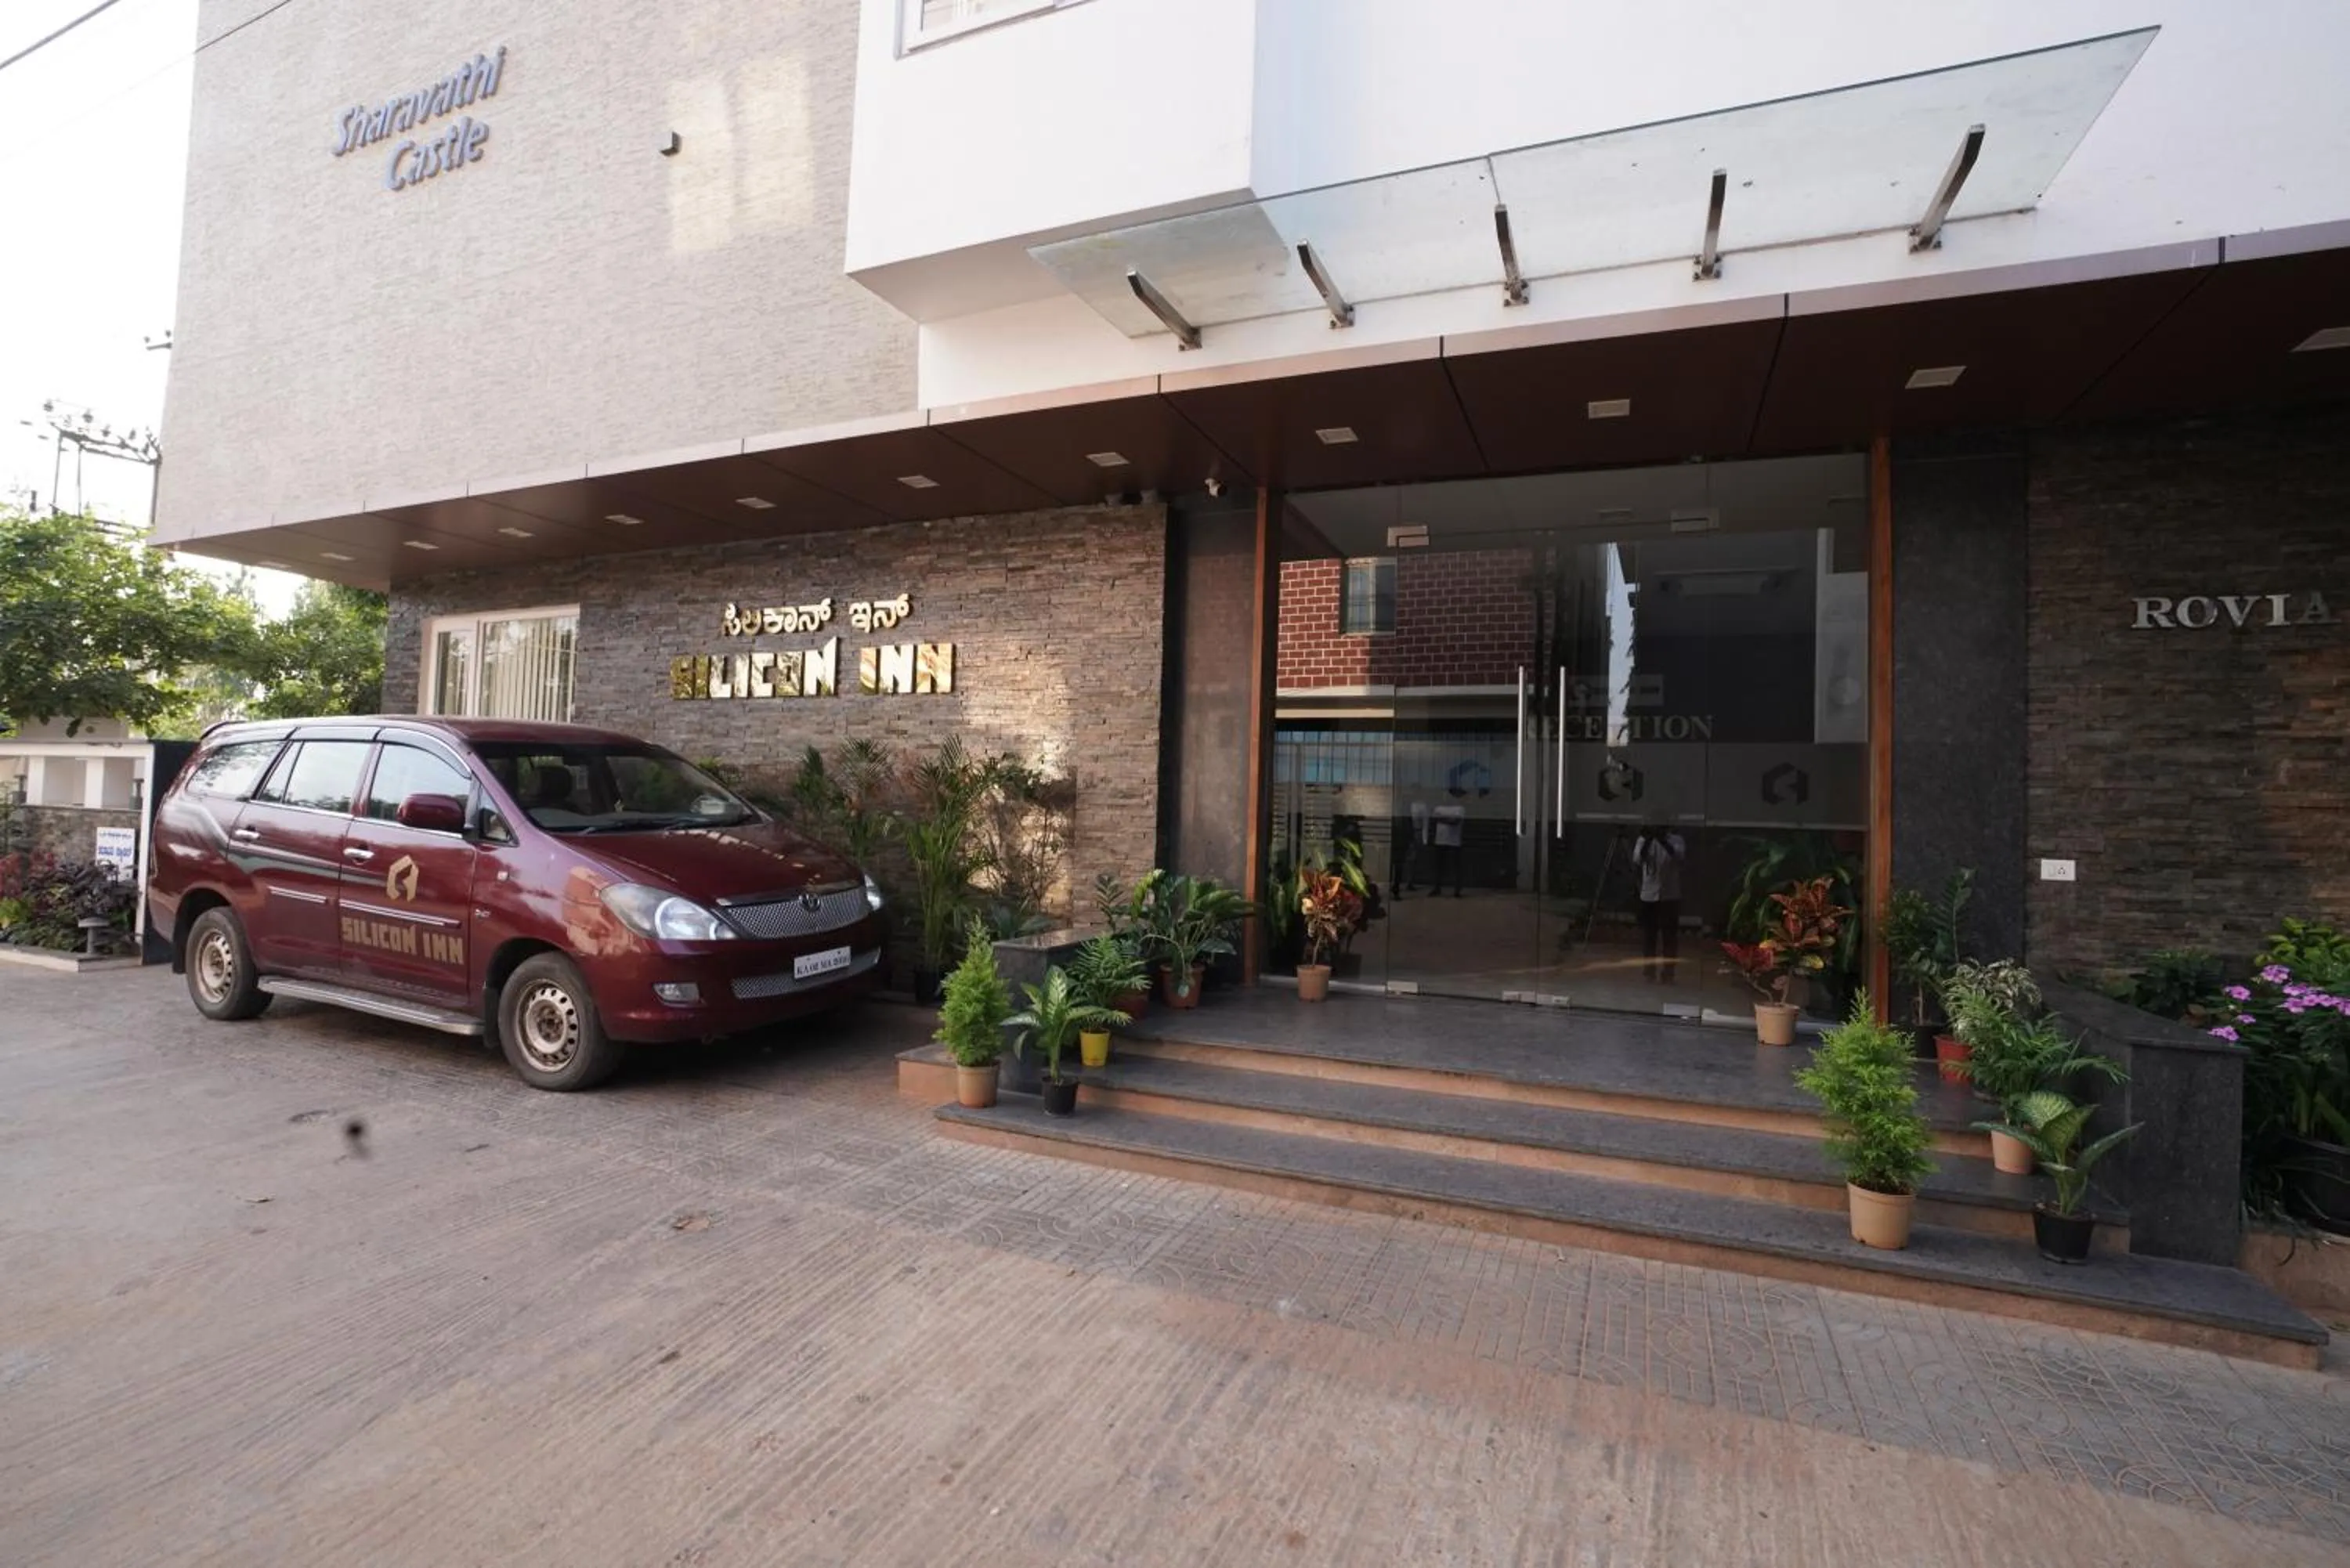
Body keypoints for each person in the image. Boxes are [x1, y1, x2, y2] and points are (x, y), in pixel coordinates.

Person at [1632, 823, 1686, 983]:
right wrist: (1649, 840)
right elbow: (1638, 860)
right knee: (1649, 936)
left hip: (1670, 895)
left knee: (1669, 936)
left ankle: (1669, 972)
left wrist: (1662, 840)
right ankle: (1649, 971)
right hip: (1649, 895)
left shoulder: (1676, 840)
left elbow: (1677, 857)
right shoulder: (1643, 841)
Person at [1430, 791, 1468, 897]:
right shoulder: (1438, 808)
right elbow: (1434, 821)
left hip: (1454, 842)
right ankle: (1437, 888)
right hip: (1440, 841)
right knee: (1439, 866)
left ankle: (1457, 890)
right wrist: (1447, 820)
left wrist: (1441, 819)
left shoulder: (1460, 809)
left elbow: (1456, 822)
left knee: (1456, 867)